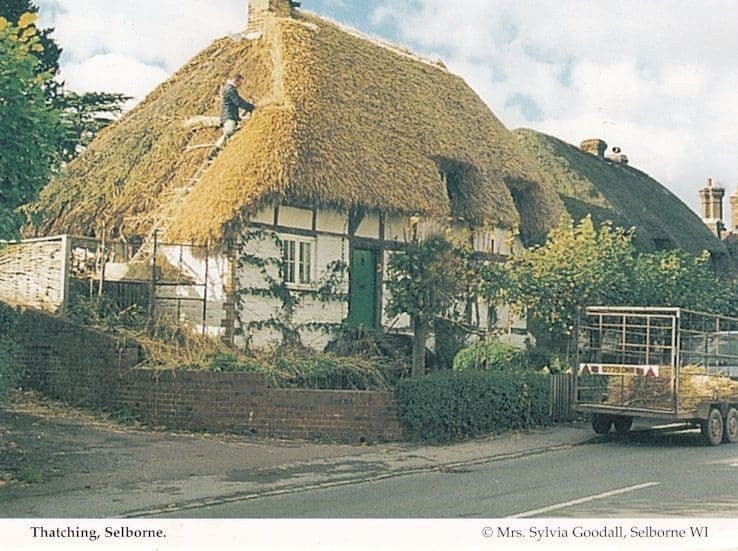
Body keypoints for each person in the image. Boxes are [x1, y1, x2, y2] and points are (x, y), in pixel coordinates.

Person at [208, 74, 255, 159]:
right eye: (240, 83)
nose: (240, 85)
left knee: (231, 132)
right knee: (229, 132)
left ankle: (220, 150)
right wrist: (251, 107)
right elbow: (238, 102)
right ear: (236, 80)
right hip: (229, 116)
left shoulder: (229, 88)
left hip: (229, 115)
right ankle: (215, 150)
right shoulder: (230, 89)